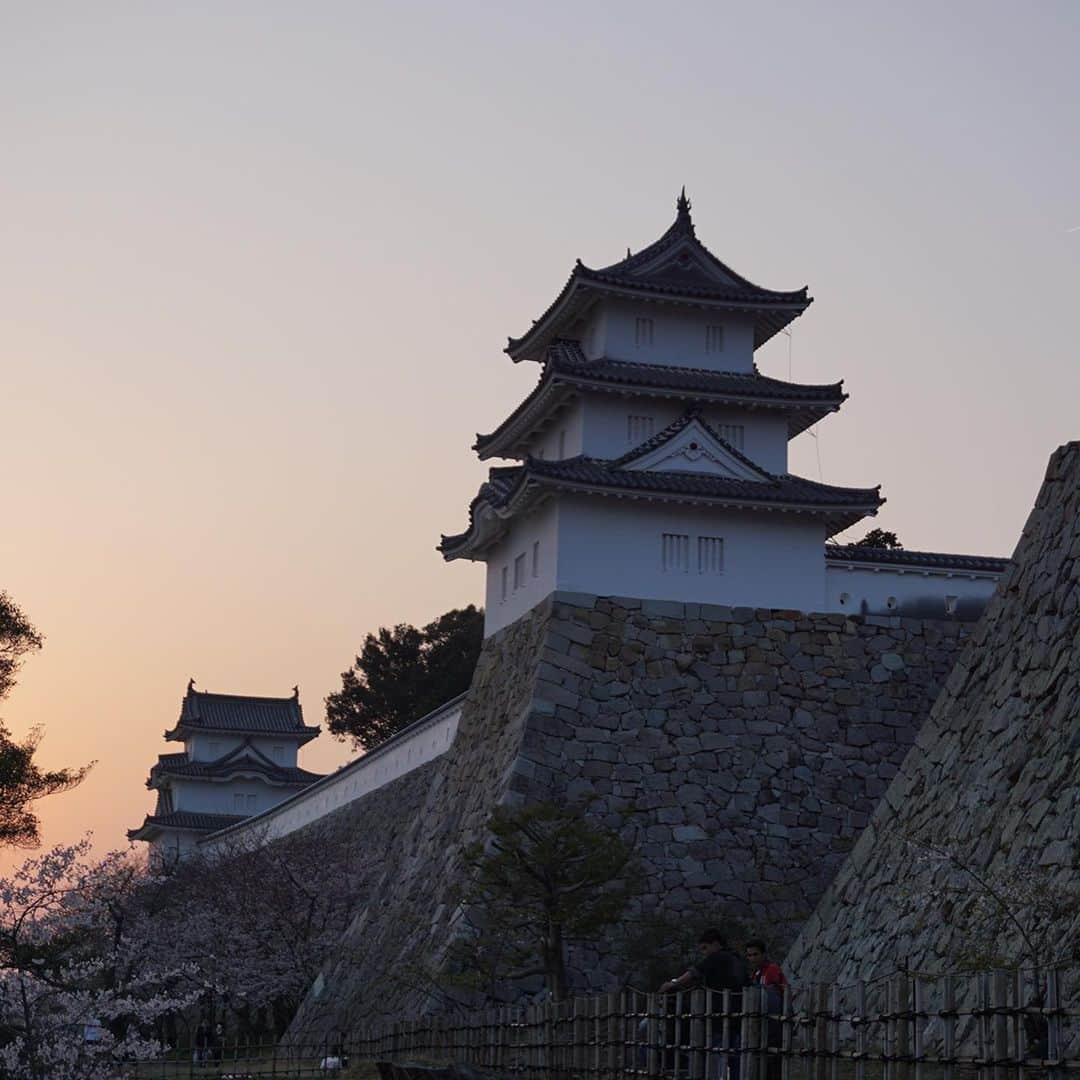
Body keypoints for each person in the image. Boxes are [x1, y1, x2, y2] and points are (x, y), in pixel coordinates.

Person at [659, 928, 746, 1080]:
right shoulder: (735, 958)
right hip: (739, 1013)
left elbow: (694, 972)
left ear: (715, 944)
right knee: (735, 1056)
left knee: (718, 1054)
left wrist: (673, 983)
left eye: (705, 948)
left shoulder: (717, 957)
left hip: (721, 1013)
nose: (704, 952)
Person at [745, 939, 787, 1080]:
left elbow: (784, 991)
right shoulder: (755, 973)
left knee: (772, 1063)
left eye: (755, 954)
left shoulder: (772, 970)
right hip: (760, 1025)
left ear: (763, 954)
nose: (752, 958)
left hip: (774, 1022)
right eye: (749, 955)